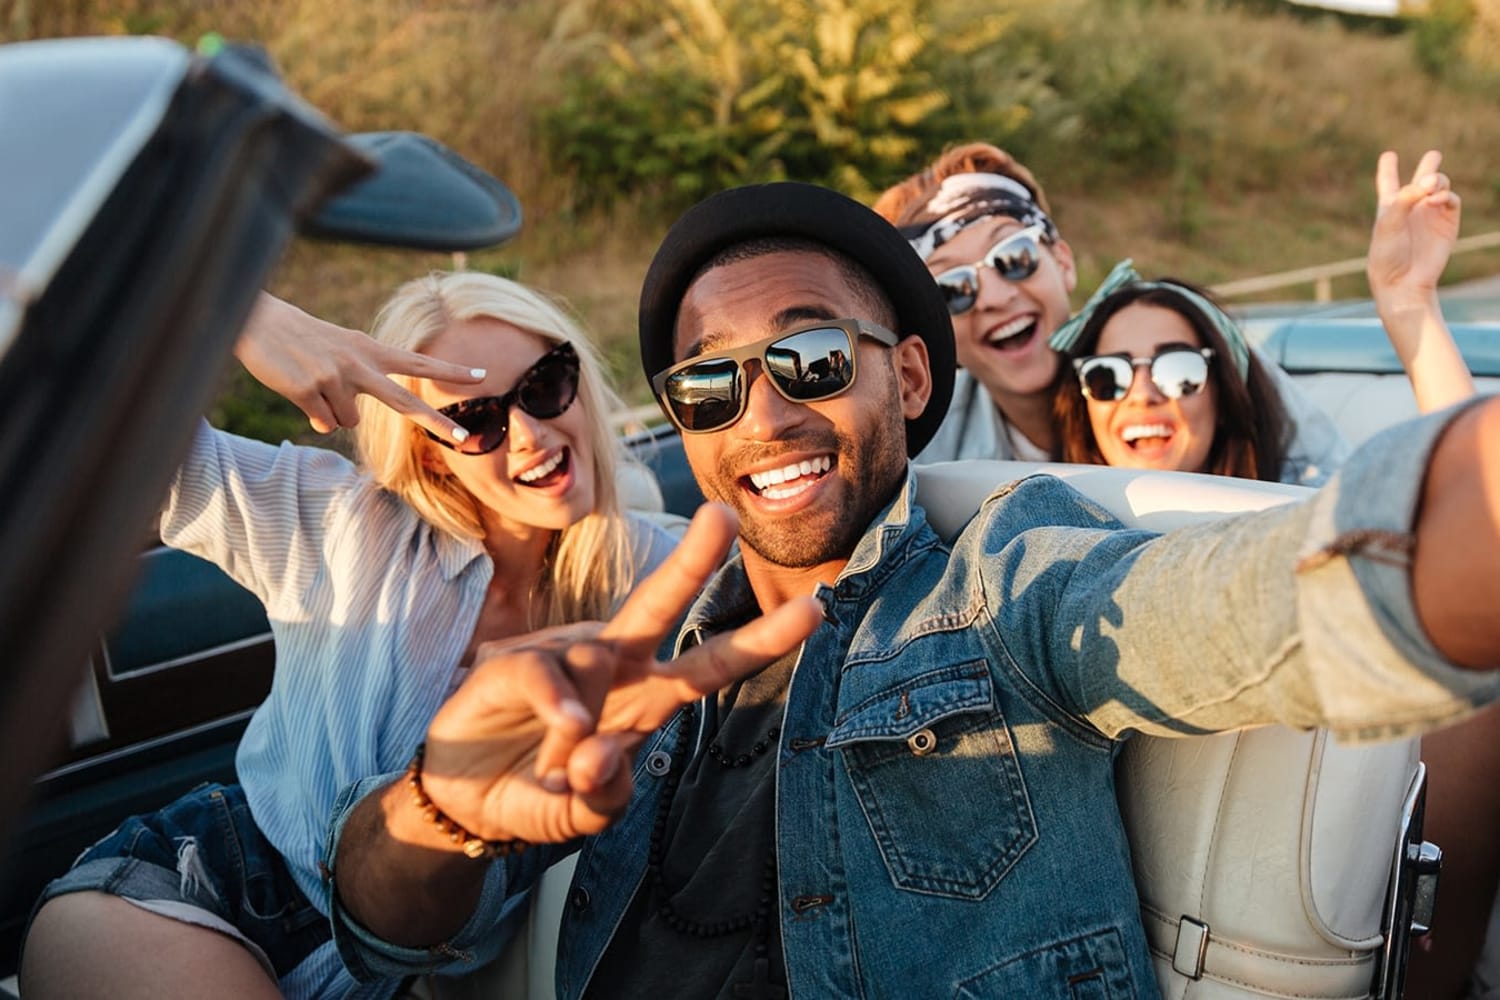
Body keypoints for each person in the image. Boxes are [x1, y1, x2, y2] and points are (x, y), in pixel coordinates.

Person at [323, 181, 1500, 999]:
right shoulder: (641, 659)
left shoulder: (1000, 576)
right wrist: (441, 807)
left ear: (913, 373)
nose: (769, 414)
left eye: (813, 359)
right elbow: (383, 936)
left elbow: (1246, 607)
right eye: (712, 385)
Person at [20, 272, 679, 1000]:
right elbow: (82, 430)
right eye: (473, 419)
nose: (529, 433)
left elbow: (800, 574)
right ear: (431, 452)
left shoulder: (654, 570)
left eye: (546, 384)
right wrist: (238, 311)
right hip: (199, 888)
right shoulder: (335, 522)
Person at [1050, 151, 1499, 1000]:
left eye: (1178, 370)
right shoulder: (1041, 552)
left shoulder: (1308, 520)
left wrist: (1411, 310)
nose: (1141, 393)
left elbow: (1470, 520)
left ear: (1221, 389)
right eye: (1109, 375)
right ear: (1085, 404)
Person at [872, 141, 1350, 484]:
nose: (994, 297)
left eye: (1012, 259)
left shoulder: (1192, 360)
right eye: (953, 288)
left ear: (1062, 262)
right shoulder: (926, 450)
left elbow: (1330, 487)